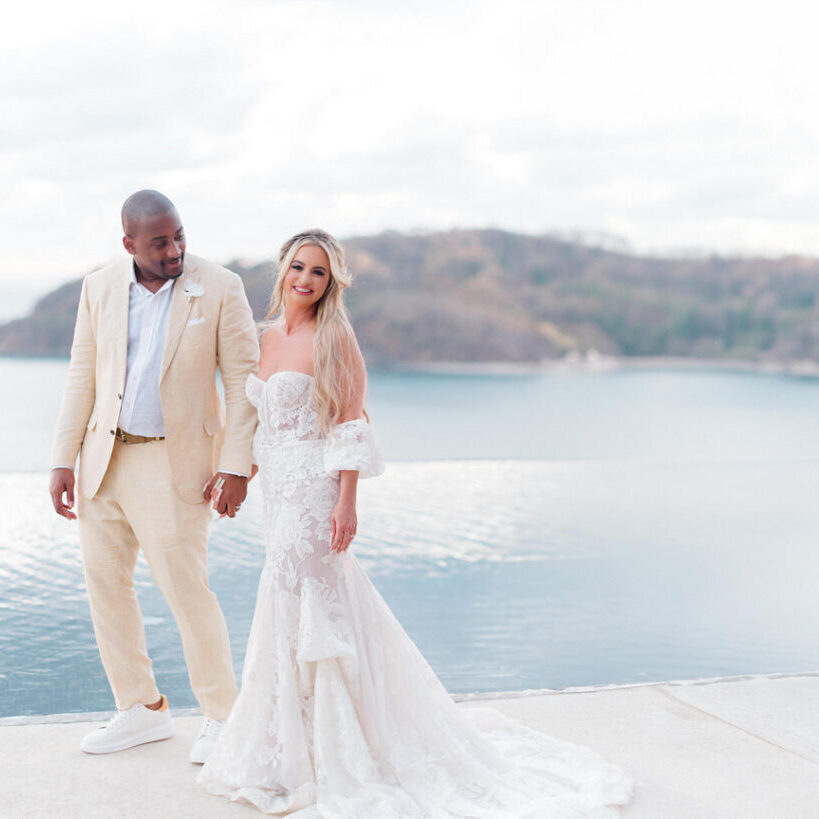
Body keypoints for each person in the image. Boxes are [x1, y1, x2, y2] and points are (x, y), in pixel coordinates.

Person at [198, 229, 632, 816]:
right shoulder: (263, 337)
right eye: (298, 266)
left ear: (332, 283)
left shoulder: (335, 338)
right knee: (282, 601)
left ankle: (335, 749)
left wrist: (347, 502)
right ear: (281, 269)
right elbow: (255, 420)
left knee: (316, 605)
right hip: (276, 493)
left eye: (319, 272)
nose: (305, 279)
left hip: (314, 494)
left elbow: (349, 424)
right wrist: (236, 473)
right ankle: (285, 742)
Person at [48, 190, 259, 763]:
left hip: (175, 463)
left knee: (188, 591)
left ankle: (222, 715)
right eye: (160, 242)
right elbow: (81, 377)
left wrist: (236, 466)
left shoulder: (219, 287)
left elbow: (244, 383)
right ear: (129, 244)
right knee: (106, 588)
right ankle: (141, 709)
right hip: (103, 462)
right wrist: (63, 458)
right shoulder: (99, 287)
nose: (175, 249)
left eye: (180, 236)